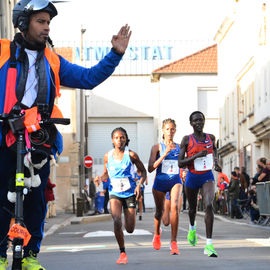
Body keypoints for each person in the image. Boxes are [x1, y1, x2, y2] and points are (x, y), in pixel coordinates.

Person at [0, 1, 132, 269]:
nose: (47, 27)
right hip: (5, 135)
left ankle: (30, 255)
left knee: (37, 200)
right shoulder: (2, 51)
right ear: (24, 23)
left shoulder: (53, 60)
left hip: (39, 137)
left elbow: (88, 78)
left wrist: (115, 54)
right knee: (2, 196)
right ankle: (2, 254)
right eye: (41, 21)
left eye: (49, 22)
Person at [94, 127, 146, 264]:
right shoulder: (108, 156)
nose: (119, 140)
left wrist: (139, 185)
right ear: (113, 140)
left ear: (126, 139)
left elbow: (143, 171)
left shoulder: (132, 155)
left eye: (122, 137)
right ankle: (122, 252)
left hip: (129, 193)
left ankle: (127, 222)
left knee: (129, 229)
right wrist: (100, 178)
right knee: (117, 221)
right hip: (115, 192)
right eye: (117, 137)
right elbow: (106, 173)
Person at [178, 111, 221, 257]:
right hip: (192, 177)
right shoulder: (186, 140)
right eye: (195, 120)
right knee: (192, 210)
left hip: (207, 176)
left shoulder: (211, 137)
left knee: (209, 204)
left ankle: (209, 245)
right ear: (191, 123)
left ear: (204, 121)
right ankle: (192, 227)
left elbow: (214, 149)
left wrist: (216, 162)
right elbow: (180, 163)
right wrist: (196, 155)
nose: (199, 122)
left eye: (201, 120)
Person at [148, 118, 182, 255]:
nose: (170, 132)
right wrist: (164, 154)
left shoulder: (180, 147)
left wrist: (184, 171)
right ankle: (157, 233)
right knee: (159, 212)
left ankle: (173, 242)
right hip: (160, 182)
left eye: (172, 129)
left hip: (175, 180)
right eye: (167, 129)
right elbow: (151, 168)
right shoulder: (157, 147)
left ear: (175, 130)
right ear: (163, 130)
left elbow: (183, 163)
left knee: (175, 206)